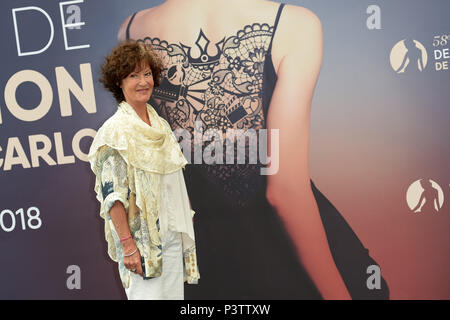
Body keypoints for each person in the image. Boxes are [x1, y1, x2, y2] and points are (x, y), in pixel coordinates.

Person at [119, 0, 390, 299]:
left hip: (206, 259)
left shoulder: (131, 32)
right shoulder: (295, 23)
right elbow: (284, 191)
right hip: (289, 255)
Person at [88, 40, 200, 300]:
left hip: (171, 236)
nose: (143, 82)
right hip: (142, 245)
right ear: (119, 82)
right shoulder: (114, 132)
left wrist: (184, 210)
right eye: (133, 75)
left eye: (147, 74)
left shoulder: (159, 124)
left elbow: (172, 176)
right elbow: (112, 196)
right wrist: (128, 246)